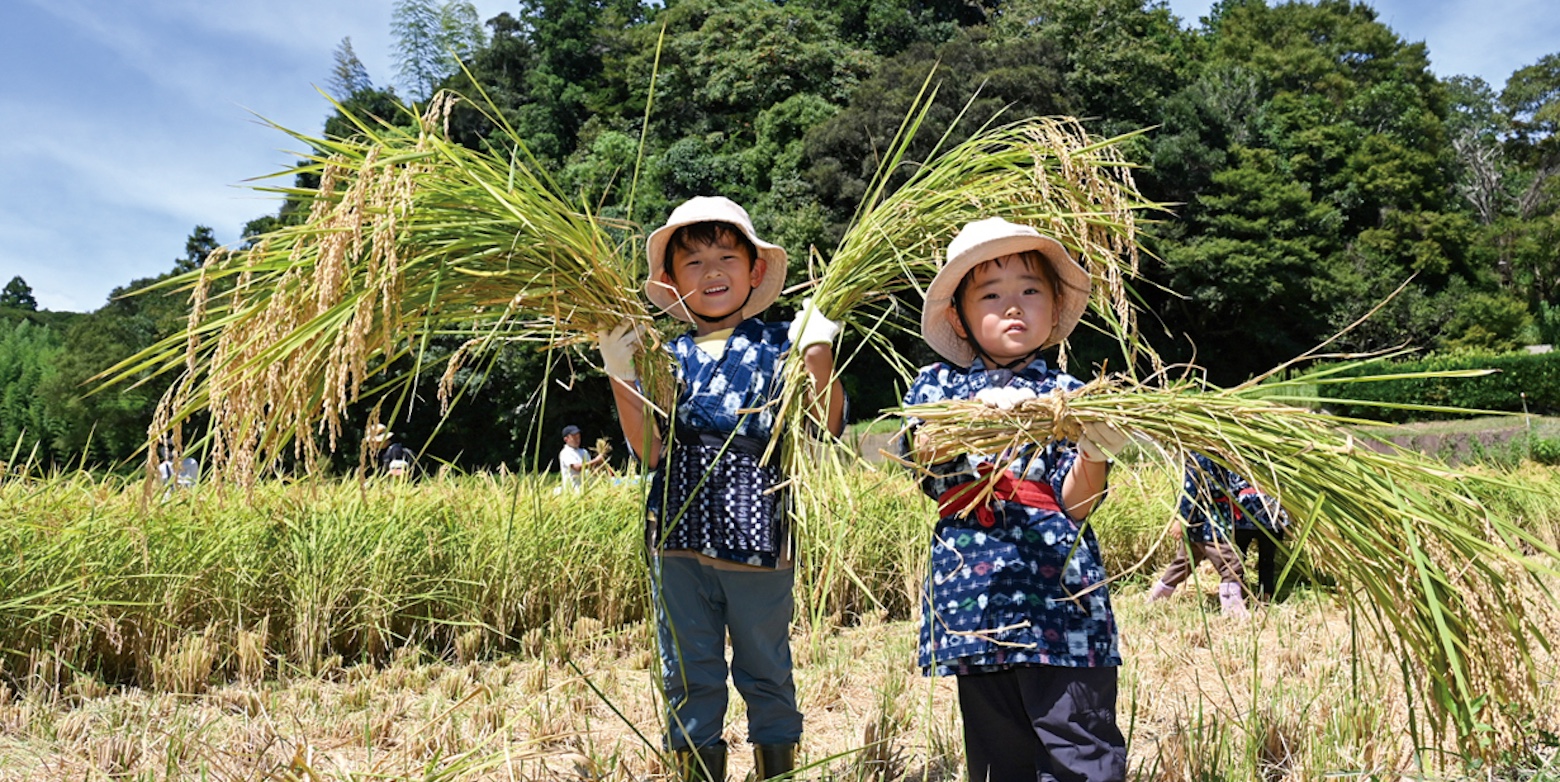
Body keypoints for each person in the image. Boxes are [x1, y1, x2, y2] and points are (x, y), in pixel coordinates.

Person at [597, 196, 845, 781]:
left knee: (765, 668)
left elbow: (825, 425)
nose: (712, 273)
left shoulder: (778, 345)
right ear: (670, 280)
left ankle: (775, 770)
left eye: (727, 257)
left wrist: (817, 354)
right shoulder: (664, 355)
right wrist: (620, 370)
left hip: (759, 536)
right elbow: (650, 450)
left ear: (755, 271)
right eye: (694, 262)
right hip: (676, 540)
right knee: (687, 670)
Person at [900, 217, 1131, 782]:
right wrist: (983, 419)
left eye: (1030, 291)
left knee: (1082, 751)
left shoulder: (1073, 396)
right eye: (992, 294)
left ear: (1054, 308)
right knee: (1001, 761)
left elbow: (1076, 507)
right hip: (979, 605)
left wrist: (1095, 449)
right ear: (958, 315)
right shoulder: (936, 389)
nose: (1014, 307)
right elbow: (926, 457)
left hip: (1064, 603)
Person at [1145, 452, 1251, 618]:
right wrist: (1182, 520)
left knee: (1183, 563)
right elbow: (1190, 492)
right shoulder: (1200, 458)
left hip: (1208, 521)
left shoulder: (1219, 457)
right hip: (1208, 523)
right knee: (1231, 564)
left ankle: (1155, 600)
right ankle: (1233, 612)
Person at [1234, 475, 1291, 599]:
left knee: (1238, 558)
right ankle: (1265, 595)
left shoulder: (1235, 460)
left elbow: (1231, 485)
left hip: (1245, 517)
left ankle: (1237, 593)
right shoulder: (1274, 463)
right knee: (1266, 560)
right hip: (1267, 516)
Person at [558, 424, 606, 491]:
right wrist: (596, 460)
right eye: (574, 437)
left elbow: (591, 469)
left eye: (578, 437)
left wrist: (600, 466)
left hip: (586, 489)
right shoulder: (566, 453)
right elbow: (577, 468)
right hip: (573, 491)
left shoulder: (583, 452)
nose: (577, 440)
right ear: (566, 439)